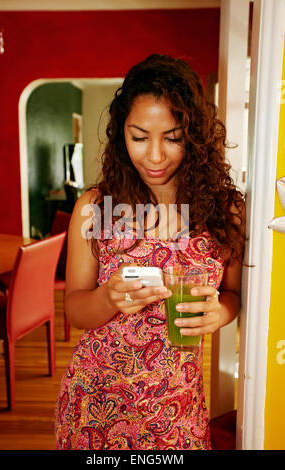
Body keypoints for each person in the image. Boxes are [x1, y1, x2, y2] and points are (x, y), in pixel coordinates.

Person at [54, 54, 245, 450]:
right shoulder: (94, 206)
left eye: (172, 137)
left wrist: (220, 312)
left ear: (195, 136)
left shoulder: (225, 210)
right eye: (139, 137)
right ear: (120, 134)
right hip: (96, 402)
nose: (155, 156)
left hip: (176, 407)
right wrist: (107, 297)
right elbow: (74, 308)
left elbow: (235, 296)